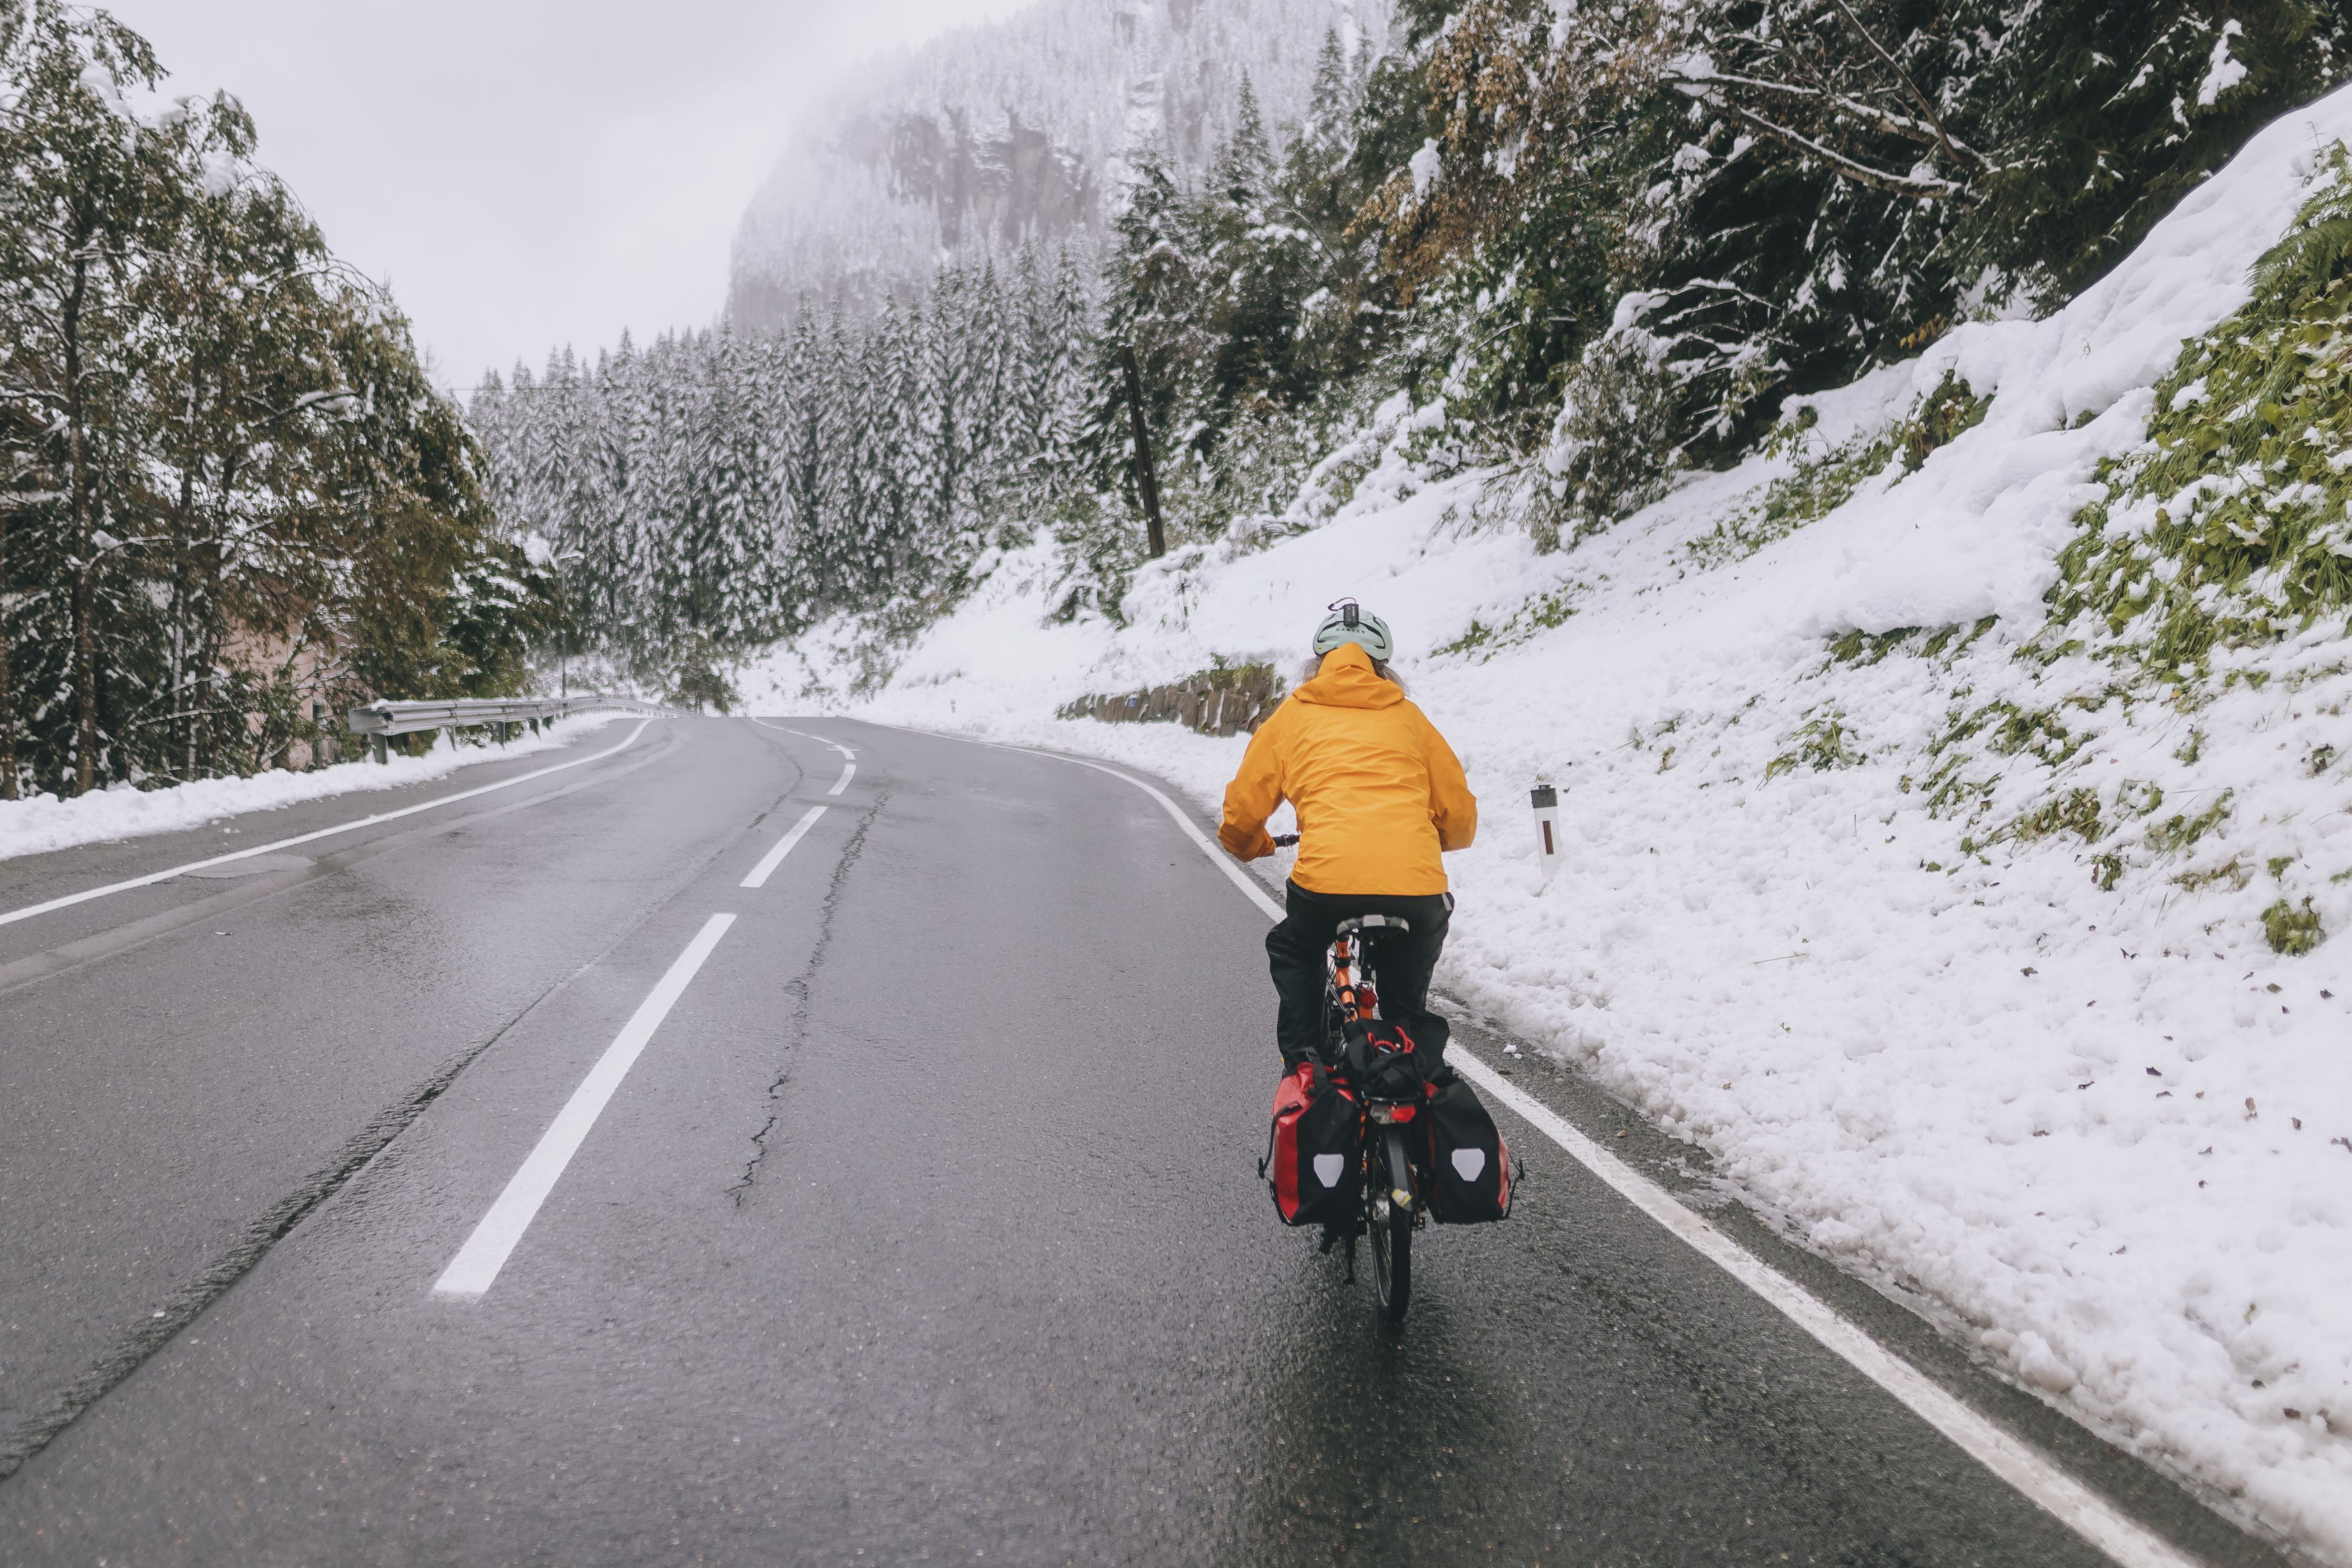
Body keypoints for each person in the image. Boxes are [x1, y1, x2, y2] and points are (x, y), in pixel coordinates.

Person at [1219, 600, 1478, 1074]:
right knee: (1406, 1009)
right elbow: (1460, 818)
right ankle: (1411, 1058)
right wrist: (1423, 841)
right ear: (1383, 669)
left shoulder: (1294, 714)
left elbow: (1241, 816)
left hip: (1327, 886)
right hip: (1418, 890)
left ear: (1317, 665)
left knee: (1295, 947)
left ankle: (1304, 1062)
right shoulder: (1410, 718)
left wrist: (1253, 845)